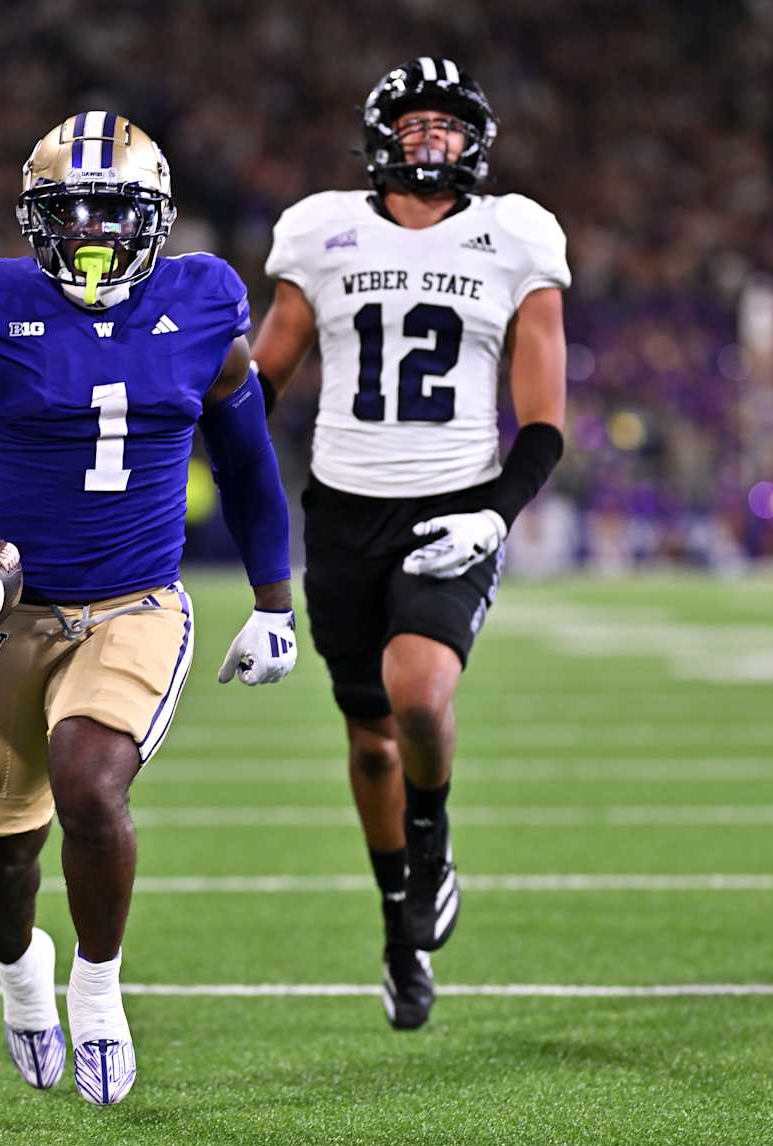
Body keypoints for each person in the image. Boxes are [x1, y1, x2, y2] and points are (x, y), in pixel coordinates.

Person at [0, 112, 297, 1106]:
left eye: (115, 210)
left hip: (135, 604)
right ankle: (23, 979)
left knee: (91, 783)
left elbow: (248, 460)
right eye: (73, 211)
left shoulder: (203, 304)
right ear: (34, 218)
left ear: (159, 218)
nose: (94, 230)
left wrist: (275, 602)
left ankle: (97, 987)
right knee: (0, 856)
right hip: (9, 615)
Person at [250, 59, 570, 1030]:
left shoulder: (518, 234)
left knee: (420, 694)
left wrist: (497, 512)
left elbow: (546, 418)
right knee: (370, 741)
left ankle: (432, 846)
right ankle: (398, 928)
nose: (433, 140)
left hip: (455, 504)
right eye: (416, 122)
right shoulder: (321, 230)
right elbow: (266, 371)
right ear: (381, 135)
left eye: (450, 124)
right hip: (344, 513)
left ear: (478, 140)